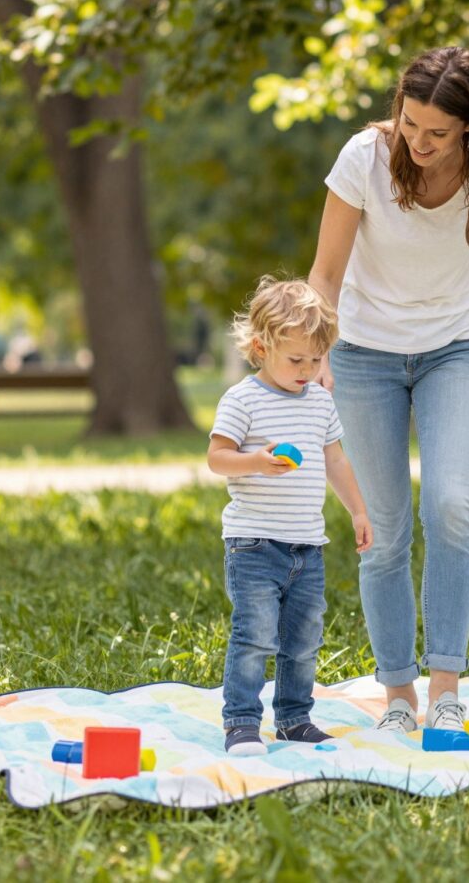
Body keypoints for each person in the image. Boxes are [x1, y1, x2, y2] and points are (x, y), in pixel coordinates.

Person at [308, 46, 469, 734]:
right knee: (380, 532)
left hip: (454, 352)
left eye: (437, 132)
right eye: (410, 124)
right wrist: (317, 351)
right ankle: (398, 697)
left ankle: (445, 690)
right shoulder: (364, 159)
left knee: (451, 506)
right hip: (362, 357)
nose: (420, 141)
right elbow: (324, 272)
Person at [207, 278, 373, 755]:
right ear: (261, 348)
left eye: (316, 360)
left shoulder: (320, 400)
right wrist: (256, 461)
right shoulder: (243, 399)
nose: (307, 370)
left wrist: (358, 510)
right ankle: (240, 721)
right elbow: (217, 457)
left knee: (303, 640)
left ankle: (294, 719)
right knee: (256, 635)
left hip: (307, 545)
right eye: (295, 359)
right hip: (254, 545)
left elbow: (336, 460)